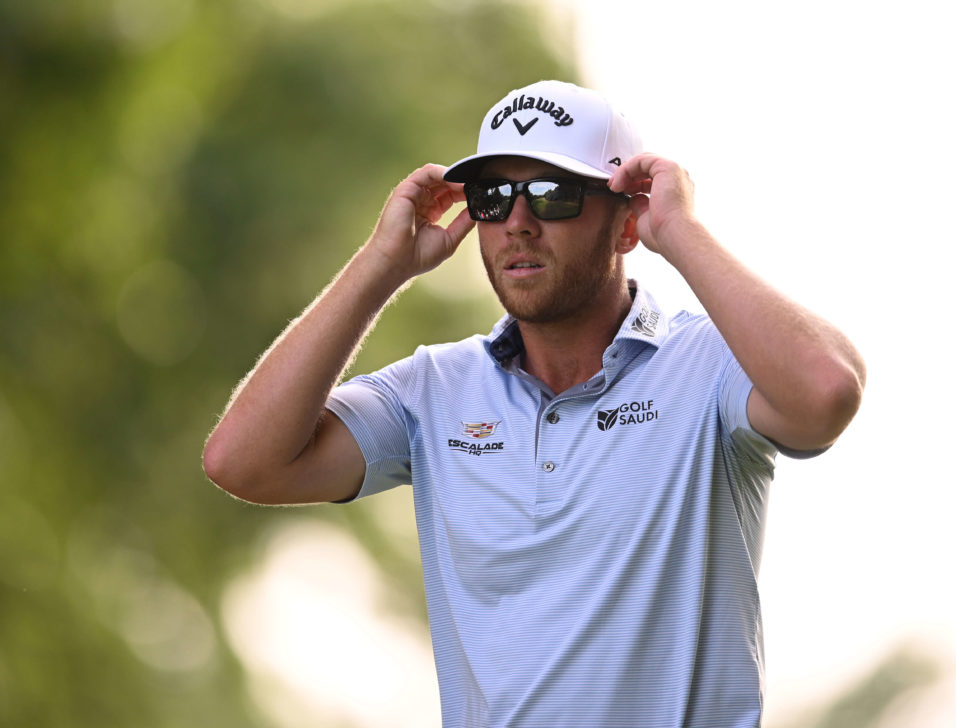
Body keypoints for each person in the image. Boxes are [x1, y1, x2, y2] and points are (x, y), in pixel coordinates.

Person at [203, 79, 866, 727]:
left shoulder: (709, 365)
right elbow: (242, 461)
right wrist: (382, 266)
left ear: (626, 222)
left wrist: (682, 231)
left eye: (552, 195)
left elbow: (826, 390)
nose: (518, 224)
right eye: (494, 197)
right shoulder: (435, 388)